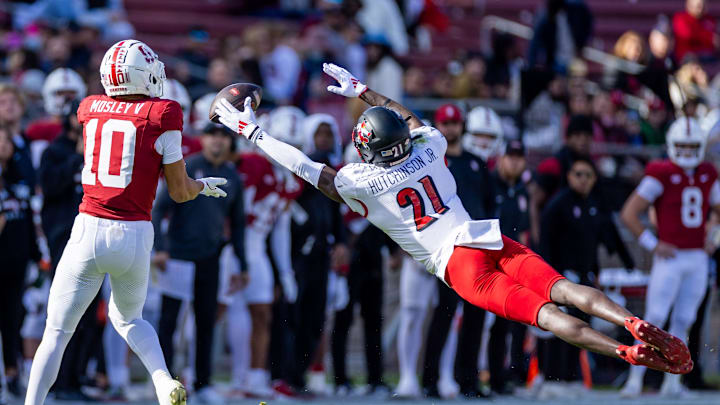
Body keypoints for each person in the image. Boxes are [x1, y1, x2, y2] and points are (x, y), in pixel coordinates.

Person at [214, 63, 694, 385]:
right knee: (563, 288)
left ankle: (625, 352)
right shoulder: (431, 148)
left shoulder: (363, 182)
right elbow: (411, 119)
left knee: (543, 315)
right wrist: (364, 91)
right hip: (484, 234)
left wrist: (252, 132)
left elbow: (301, 165)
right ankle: (630, 321)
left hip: (457, 264)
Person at [25, 39, 229, 405]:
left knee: (56, 332)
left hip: (88, 226)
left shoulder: (88, 108)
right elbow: (180, 192)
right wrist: (201, 186)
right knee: (129, 319)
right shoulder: (163, 113)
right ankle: (164, 380)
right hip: (134, 233)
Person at [620, 116, 719, 397]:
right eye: (682, 146)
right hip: (671, 258)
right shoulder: (661, 172)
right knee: (654, 318)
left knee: (685, 319)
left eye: (692, 146)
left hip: (697, 258)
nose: (687, 153)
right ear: (671, 145)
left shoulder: (707, 173)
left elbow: (718, 210)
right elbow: (629, 213)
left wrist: (712, 236)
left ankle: (672, 382)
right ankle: (634, 379)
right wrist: (654, 244)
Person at [152, 122, 245, 403]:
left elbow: (238, 224)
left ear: (230, 143)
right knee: (169, 321)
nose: (217, 141)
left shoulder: (233, 177)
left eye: (223, 136)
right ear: (203, 139)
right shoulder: (187, 166)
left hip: (210, 257)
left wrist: (243, 264)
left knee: (206, 321)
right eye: (212, 135)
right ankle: (165, 381)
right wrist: (160, 248)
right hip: (178, 256)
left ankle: (203, 383)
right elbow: (159, 208)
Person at [539, 156, 635, 384]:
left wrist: (626, 261)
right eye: (578, 174)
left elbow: (605, 235)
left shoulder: (594, 204)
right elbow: (545, 241)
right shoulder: (558, 204)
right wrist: (547, 275)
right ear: (569, 177)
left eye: (588, 175)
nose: (583, 180)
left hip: (585, 277)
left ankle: (572, 378)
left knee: (582, 328)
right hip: (560, 278)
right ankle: (552, 378)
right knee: (559, 327)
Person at [422, 103, 494, 399]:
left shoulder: (476, 162)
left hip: (477, 247)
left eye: (454, 123)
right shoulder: (433, 163)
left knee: (476, 316)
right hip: (448, 249)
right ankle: (430, 381)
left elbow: (490, 204)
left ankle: (468, 381)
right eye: (445, 123)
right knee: (444, 314)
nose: (451, 128)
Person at [486, 139, 532, 392]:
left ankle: (504, 377)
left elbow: (524, 231)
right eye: (510, 155)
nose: (514, 161)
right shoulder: (490, 184)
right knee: (485, 324)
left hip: (511, 265)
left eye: (519, 156)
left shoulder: (522, 191)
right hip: (488, 263)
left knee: (509, 323)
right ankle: (470, 376)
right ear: (501, 157)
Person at [0, 125, 41, 398]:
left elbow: (28, 216)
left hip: (18, 258)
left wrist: (36, 254)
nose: (2, 145)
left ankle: (13, 372)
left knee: (14, 317)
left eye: (5, 141)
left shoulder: (20, 176)